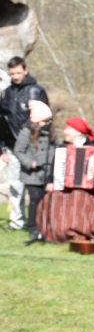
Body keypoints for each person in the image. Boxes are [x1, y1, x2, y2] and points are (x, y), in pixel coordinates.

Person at [36, 116, 94, 243]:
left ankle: (80, 232)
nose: (65, 132)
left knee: (78, 197)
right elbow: (52, 171)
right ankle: (56, 233)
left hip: (88, 191)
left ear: (78, 131)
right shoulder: (62, 148)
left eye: (68, 129)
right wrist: (50, 182)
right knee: (51, 198)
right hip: (64, 188)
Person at [1, 56, 48, 230]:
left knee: (35, 185)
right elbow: (1, 121)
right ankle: (17, 221)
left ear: (25, 70)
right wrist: (1, 148)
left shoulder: (36, 91)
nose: (16, 76)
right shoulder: (6, 93)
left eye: (19, 72)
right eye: (12, 73)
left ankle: (37, 221)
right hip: (12, 146)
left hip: (33, 146)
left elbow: (44, 118)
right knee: (15, 184)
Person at [12, 99, 55, 242]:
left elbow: (56, 148)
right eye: (44, 121)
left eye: (49, 121)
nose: (47, 124)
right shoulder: (26, 133)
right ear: (36, 121)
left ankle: (45, 227)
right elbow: (18, 150)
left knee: (45, 200)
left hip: (47, 174)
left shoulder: (51, 133)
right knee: (35, 199)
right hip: (31, 175)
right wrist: (31, 163)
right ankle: (33, 227)